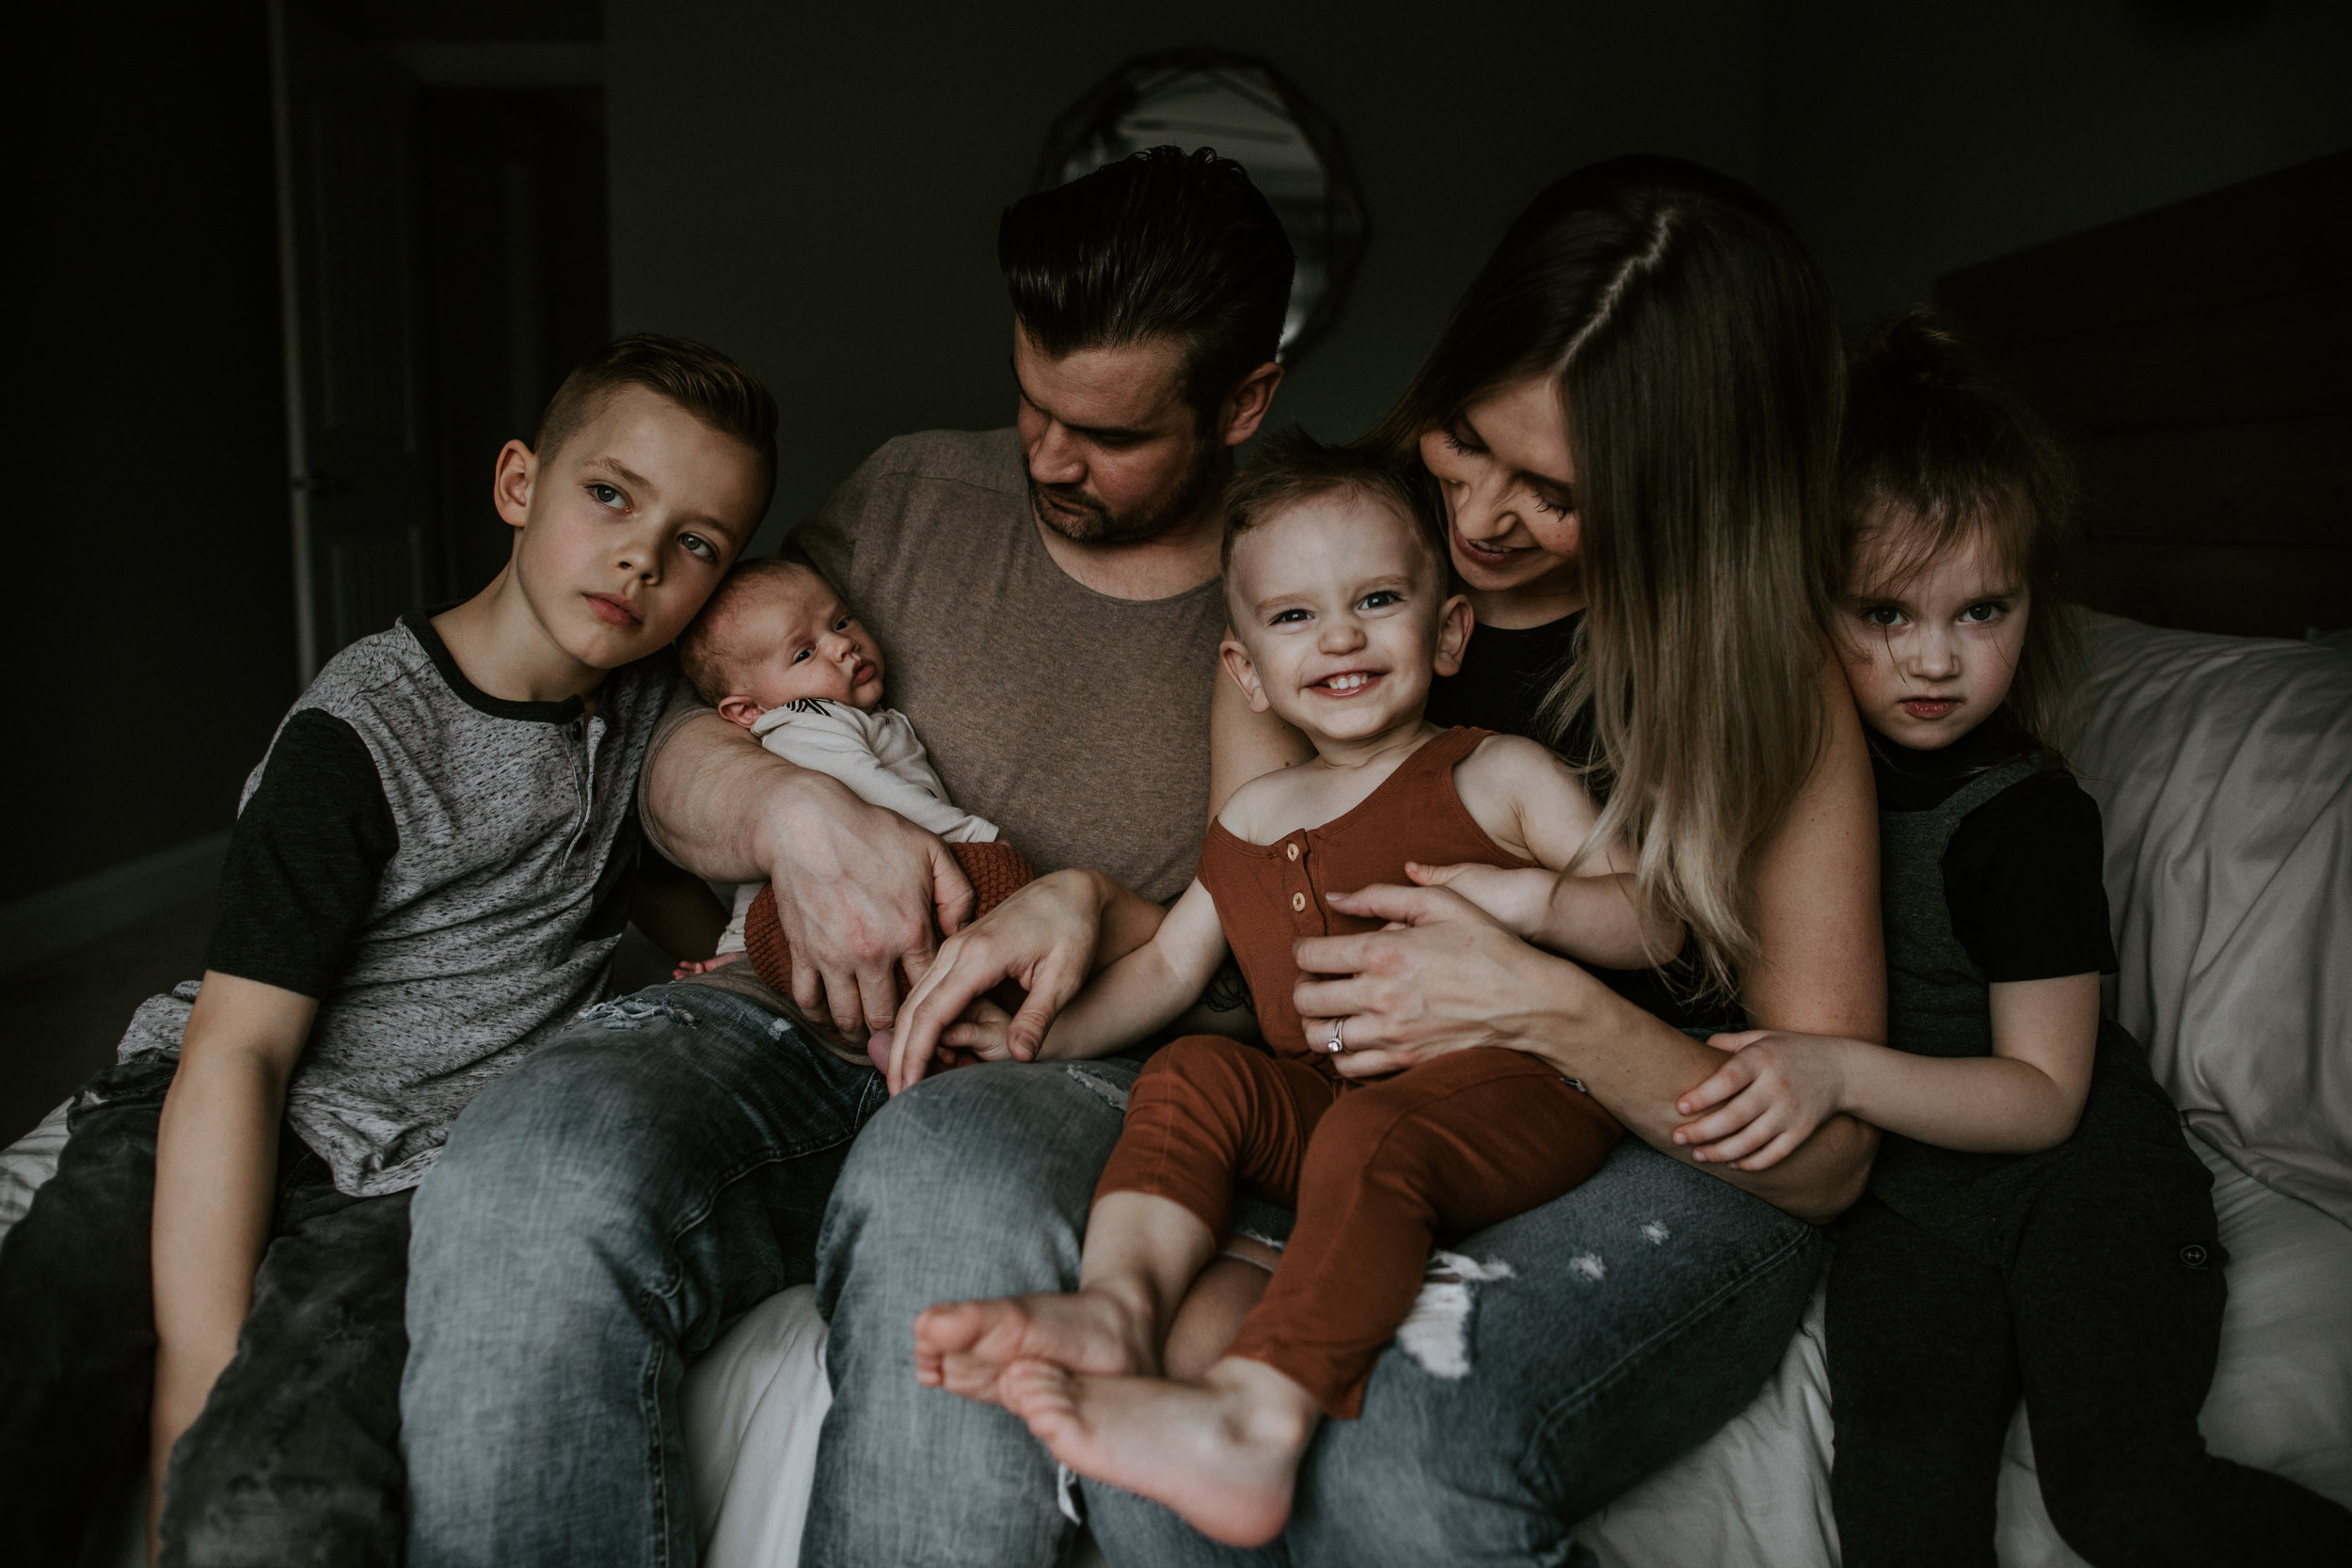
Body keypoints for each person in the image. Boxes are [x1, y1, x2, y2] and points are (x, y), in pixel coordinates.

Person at [832, 154, 1882, 1567]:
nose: (1483, 516)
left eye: (1557, 492)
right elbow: (1264, 921)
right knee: (1164, 1398)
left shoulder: (1761, 675)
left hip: (1647, 1130)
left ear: (1688, 489)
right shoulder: (1312, 563)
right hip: (1354, 1101)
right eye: (1466, 435)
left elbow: (1824, 1160)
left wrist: (1533, 995)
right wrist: (1088, 902)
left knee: (1411, 1449)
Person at [396, 144, 1291, 1568]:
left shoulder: (1312, 574)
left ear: (1245, 401)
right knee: (530, 1160)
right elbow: (668, 728)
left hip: (1067, 1061)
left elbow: (1310, 936)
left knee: (944, 1194)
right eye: (1033, 402)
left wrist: (1107, 905)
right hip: (777, 1022)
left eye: (1108, 434)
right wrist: (789, 816)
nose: (1048, 457)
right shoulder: (920, 492)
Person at [0, 334, 771, 1566]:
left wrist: (759, 961)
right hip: (228, 1091)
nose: (642, 554)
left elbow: (681, 902)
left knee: (273, 1506)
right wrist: (186, 1395)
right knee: (35, 1350)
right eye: (612, 494)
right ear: (519, 484)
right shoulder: (363, 731)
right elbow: (239, 1054)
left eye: (697, 543)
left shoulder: (640, 725)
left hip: (419, 1168)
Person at [1670, 309, 2352, 1566]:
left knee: (2124, 1492)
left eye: (1982, 610)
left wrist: (1831, 1068)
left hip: (2085, 1177)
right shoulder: (1793, 773)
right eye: (1883, 610)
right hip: (1914, 1200)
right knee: (1900, 1507)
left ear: (2035, 603)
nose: (1934, 658)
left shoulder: (2029, 820)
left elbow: (2043, 1096)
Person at [918, 436, 1681, 1545]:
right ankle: (1111, 1309)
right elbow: (1169, 971)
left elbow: (1658, 911)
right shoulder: (1251, 817)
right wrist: (1030, 1035)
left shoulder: (1491, 770)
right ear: (1244, 668)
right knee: (1190, 1070)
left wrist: (1537, 905)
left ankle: (1256, 1418)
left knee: (1372, 1137)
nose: (1338, 636)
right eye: (1293, 616)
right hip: (1332, 1101)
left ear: (1450, 628)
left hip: (1522, 1087)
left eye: (1376, 599)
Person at [669, 557, 1021, 1007]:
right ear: (748, 711)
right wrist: (975, 835)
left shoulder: (842, 716)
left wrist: (734, 947)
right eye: (803, 653)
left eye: (840, 621)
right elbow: (872, 789)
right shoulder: (804, 722)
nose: (841, 645)